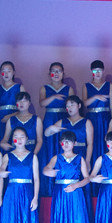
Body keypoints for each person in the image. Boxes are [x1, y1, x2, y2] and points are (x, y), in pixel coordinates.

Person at [44, 131, 93, 223]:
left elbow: (87, 178)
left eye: (68, 141)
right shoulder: (56, 158)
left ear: (74, 143)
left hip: (75, 193)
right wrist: (48, 171)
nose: (65, 144)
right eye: (63, 142)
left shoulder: (80, 159)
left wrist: (76, 186)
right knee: (61, 222)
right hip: (60, 193)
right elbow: (46, 168)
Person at [39, 62, 71, 196]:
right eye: (53, 71)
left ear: (63, 73)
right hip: (50, 118)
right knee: (50, 147)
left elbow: (72, 104)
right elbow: (41, 103)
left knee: (64, 147)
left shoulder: (68, 89)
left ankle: (64, 179)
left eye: (59, 71)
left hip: (63, 118)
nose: (56, 74)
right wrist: (53, 97)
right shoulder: (44, 88)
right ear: (49, 74)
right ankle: (49, 187)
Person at [44, 95, 94, 168]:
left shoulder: (86, 122)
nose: (69, 108)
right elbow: (46, 134)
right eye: (67, 106)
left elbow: (90, 144)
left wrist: (87, 161)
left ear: (79, 106)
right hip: (65, 154)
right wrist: (51, 128)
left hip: (80, 153)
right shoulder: (63, 122)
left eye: (72, 105)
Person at [0, 60, 25, 144]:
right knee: (0, 139)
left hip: (15, 117)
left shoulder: (19, 87)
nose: (6, 74)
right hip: (0, 119)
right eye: (3, 71)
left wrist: (10, 116)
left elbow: (24, 107)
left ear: (14, 72)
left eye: (9, 71)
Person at [83, 60, 112, 161]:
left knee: (106, 141)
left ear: (103, 71)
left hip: (105, 118)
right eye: (95, 71)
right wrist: (96, 97)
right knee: (92, 142)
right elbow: (84, 103)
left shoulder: (109, 85)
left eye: (100, 70)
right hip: (91, 118)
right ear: (91, 71)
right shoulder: (86, 86)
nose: (97, 73)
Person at [0, 92, 43, 156]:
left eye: (24, 101)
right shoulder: (11, 120)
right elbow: (5, 139)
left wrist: (33, 155)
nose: (21, 103)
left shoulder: (37, 120)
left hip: (31, 151)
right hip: (15, 153)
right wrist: (3, 144)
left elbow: (39, 141)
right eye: (19, 101)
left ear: (29, 103)